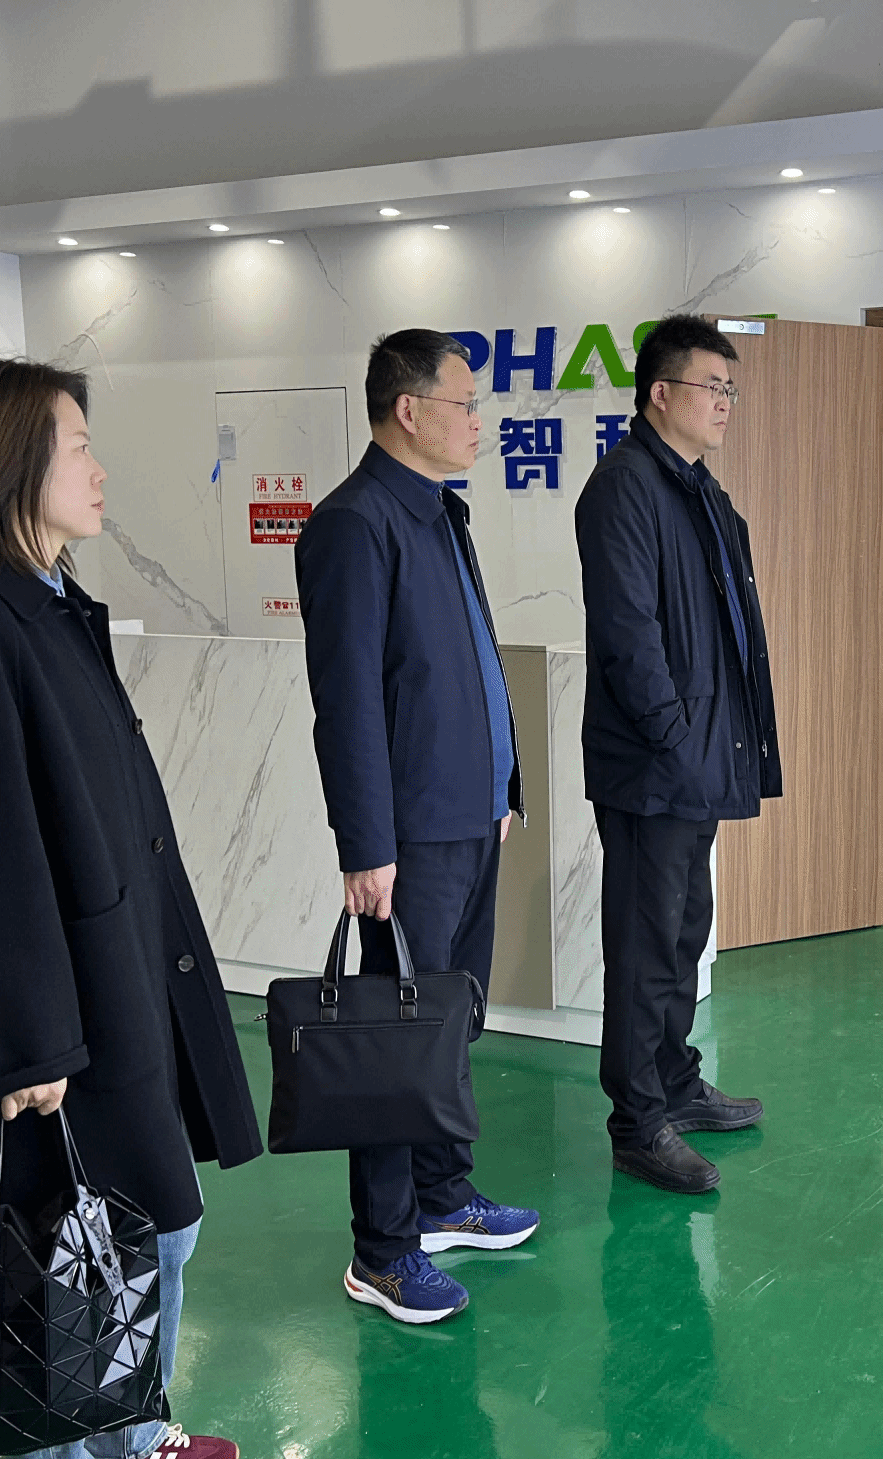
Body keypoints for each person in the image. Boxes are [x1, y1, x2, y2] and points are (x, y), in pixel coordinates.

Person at [0, 360, 261, 1459]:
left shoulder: (45, 605)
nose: (99, 469)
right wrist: (25, 1038)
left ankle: (126, 1430)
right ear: (9, 465)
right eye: (78, 444)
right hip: (46, 1016)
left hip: (111, 982)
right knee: (48, 1247)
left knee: (147, 1223)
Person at [295, 329, 539, 1325]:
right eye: (464, 404)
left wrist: (504, 786)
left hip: (471, 820)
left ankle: (442, 1195)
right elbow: (346, 698)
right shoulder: (355, 525)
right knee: (395, 1043)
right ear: (409, 410)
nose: (479, 422)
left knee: (449, 1023)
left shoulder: (441, 513)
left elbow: (471, 661)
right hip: (410, 840)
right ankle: (384, 1250)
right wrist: (367, 846)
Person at [574, 315, 782, 1193]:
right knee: (644, 942)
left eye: (732, 389)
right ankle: (637, 1119)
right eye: (711, 386)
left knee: (684, 930)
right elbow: (629, 634)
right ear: (660, 393)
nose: (726, 402)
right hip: (654, 766)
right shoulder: (624, 487)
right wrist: (674, 734)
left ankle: (675, 1079)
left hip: (695, 762)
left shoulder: (701, 492)